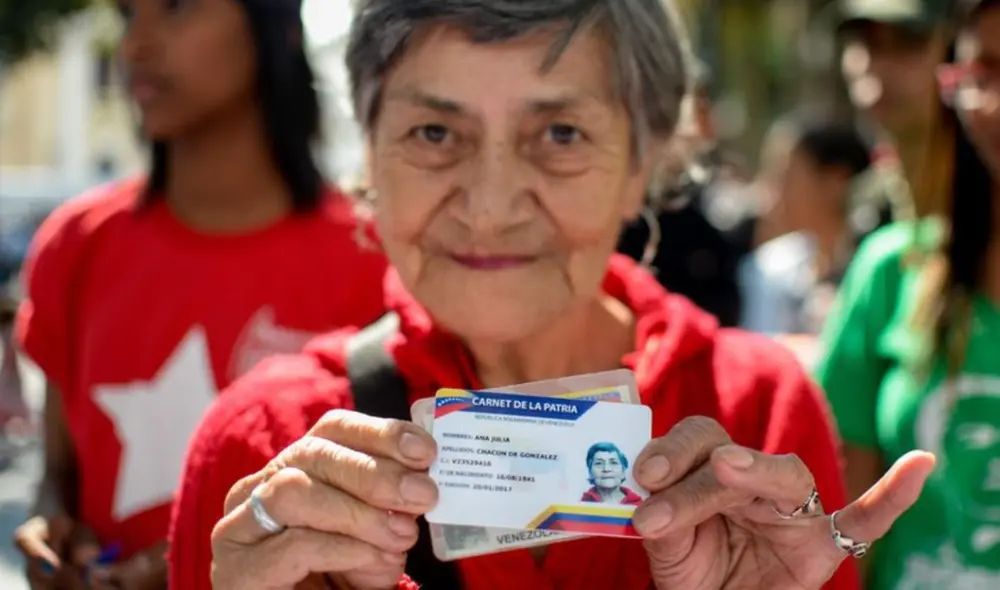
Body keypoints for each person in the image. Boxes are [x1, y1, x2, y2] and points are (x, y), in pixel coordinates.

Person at [171, 1, 935, 589]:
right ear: (368, 158)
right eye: (435, 133)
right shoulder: (267, 447)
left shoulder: (756, 412)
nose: (492, 206)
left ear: (643, 164)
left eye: (561, 134)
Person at [11, 0, 387, 588]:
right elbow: (60, 472)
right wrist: (53, 525)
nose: (135, 44)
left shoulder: (376, 259)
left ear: (279, 28)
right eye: (128, 13)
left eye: (177, 7)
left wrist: (195, 560)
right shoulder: (77, 246)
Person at [816, 2, 1000, 587]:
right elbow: (841, 523)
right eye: (985, 72)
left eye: (904, 43)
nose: (877, 65)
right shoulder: (891, 265)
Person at [740, 119, 874, 336]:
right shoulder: (771, 270)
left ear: (835, 180)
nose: (770, 194)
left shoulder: (875, 270)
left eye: (785, 177)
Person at [837, 0, 957, 226]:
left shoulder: (987, 193)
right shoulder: (864, 208)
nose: (880, 67)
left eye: (907, 42)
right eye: (867, 42)